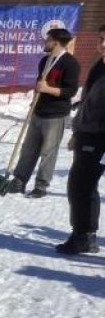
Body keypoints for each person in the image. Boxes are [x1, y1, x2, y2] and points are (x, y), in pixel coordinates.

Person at [13, 28, 81, 198]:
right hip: (38, 111)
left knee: (48, 152)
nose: (45, 42)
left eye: (48, 39)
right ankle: (19, 180)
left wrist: (47, 89)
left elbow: (70, 91)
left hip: (56, 114)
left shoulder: (71, 63)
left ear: (56, 42)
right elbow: (39, 83)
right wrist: (36, 95)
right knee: (28, 149)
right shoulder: (44, 61)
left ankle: (41, 186)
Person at [58, 28, 105, 255]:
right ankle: (86, 235)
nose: (103, 44)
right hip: (87, 133)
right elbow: (87, 102)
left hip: (100, 137)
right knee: (83, 186)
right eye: (102, 39)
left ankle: (83, 236)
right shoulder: (99, 66)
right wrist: (77, 132)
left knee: (81, 185)